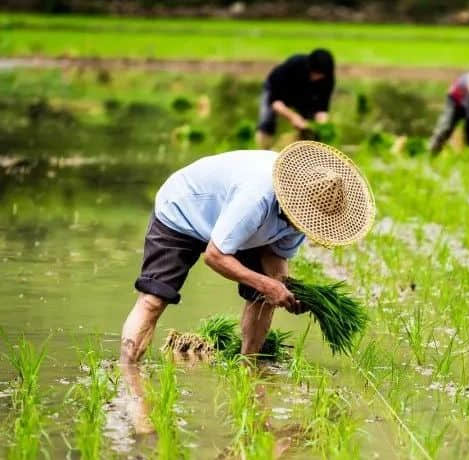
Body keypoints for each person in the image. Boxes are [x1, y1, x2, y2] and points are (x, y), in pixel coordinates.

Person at [119, 141, 376, 365]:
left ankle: (248, 368)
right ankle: (127, 376)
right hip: (183, 210)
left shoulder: (307, 215)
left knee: (264, 298)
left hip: (239, 228)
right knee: (154, 300)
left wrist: (284, 289)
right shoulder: (257, 196)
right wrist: (266, 284)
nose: (304, 225)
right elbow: (215, 255)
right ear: (292, 200)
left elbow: (276, 257)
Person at [257, 49, 336, 149]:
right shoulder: (293, 65)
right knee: (266, 123)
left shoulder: (327, 77)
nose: (317, 78)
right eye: (315, 74)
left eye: (321, 76)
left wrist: (321, 126)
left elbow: (322, 109)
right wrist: (293, 117)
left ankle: (300, 156)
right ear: (310, 68)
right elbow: (275, 103)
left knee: (310, 132)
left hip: (305, 96)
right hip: (279, 92)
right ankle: (263, 151)